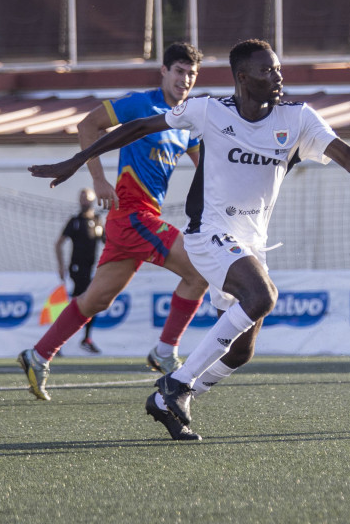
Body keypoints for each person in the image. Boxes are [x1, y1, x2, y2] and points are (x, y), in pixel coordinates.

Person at [29, 38, 350, 441]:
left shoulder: (300, 118)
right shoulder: (209, 110)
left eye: (279, 68)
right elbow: (140, 126)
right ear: (242, 77)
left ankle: (169, 399)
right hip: (208, 235)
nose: (278, 76)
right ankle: (175, 382)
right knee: (263, 296)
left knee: (240, 352)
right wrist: (79, 161)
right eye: (267, 70)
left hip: (250, 244)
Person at [18, 42, 209, 405]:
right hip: (132, 215)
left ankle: (38, 355)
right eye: (179, 71)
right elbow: (88, 125)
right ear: (164, 72)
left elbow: (208, 171)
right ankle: (165, 352)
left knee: (96, 300)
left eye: (192, 74)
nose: (185, 79)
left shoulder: (189, 119)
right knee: (199, 270)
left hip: (139, 220)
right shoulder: (140, 103)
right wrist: (99, 180)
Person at [55, 188, 105, 354]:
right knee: (81, 304)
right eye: (81, 198)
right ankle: (59, 341)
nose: (83, 201)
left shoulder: (98, 220)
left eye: (86, 198)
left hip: (92, 269)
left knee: (91, 304)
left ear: (92, 200)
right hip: (77, 269)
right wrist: (61, 266)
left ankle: (84, 338)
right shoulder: (75, 221)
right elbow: (58, 243)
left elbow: (108, 243)